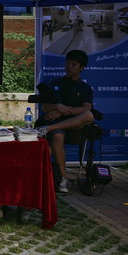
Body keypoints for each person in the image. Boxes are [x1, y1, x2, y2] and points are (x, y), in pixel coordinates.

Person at [35, 49, 95, 193]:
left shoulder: (85, 88)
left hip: (75, 125)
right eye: (67, 63)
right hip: (56, 126)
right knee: (58, 135)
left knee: (89, 116)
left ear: (82, 68)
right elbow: (45, 106)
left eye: (74, 64)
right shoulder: (55, 83)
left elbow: (87, 108)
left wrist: (64, 110)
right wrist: (57, 106)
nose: (69, 66)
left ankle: (49, 129)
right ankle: (62, 177)